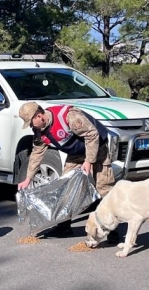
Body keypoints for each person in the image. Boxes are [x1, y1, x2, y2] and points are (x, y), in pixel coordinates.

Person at [18, 102, 119, 241]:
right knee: (66, 188)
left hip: (97, 147)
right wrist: (28, 178)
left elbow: (92, 134)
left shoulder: (67, 116)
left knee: (104, 188)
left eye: (31, 122)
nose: (30, 126)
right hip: (76, 154)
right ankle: (64, 227)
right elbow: (37, 153)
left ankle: (113, 230)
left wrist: (89, 161)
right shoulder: (39, 131)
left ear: (39, 115)